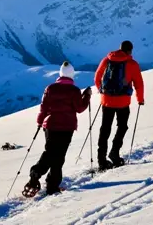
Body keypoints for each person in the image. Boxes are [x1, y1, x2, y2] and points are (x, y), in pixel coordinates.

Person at [23, 61, 91, 197]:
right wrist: (87, 96)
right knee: (59, 156)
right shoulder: (74, 91)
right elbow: (79, 108)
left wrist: (40, 121)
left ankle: (37, 174)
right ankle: (51, 184)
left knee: (50, 151)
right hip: (66, 127)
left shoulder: (50, 88)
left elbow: (43, 107)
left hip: (50, 126)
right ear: (71, 75)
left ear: (60, 74)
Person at [94, 40, 144, 170]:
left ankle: (101, 159)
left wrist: (101, 90)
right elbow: (139, 83)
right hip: (123, 102)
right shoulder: (132, 64)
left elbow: (97, 76)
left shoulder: (107, 60)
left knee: (105, 129)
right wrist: (140, 99)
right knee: (122, 126)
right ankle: (114, 153)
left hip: (106, 100)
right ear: (130, 50)